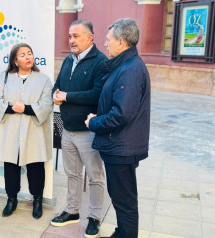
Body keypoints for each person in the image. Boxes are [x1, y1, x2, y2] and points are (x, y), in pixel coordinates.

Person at [85, 18, 151, 238]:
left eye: (108, 39)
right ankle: (122, 232)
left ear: (121, 42)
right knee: (121, 197)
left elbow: (121, 114)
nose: (105, 44)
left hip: (121, 147)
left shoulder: (130, 69)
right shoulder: (124, 65)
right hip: (120, 144)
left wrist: (93, 122)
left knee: (124, 199)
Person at [51, 19, 107, 238]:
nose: (71, 40)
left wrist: (66, 96)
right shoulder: (68, 60)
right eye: (70, 36)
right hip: (68, 129)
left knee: (95, 177)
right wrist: (56, 95)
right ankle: (72, 211)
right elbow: (58, 85)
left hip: (89, 132)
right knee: (72, 174)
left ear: (90, 38)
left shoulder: (100, 62)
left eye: (76, 36)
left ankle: (94, 217)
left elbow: (96, 94)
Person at [0, 43, 53, 219]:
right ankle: (11, 199)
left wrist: (26, 108)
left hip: (34, 131)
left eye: (30, 53)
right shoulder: (5, 78)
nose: (28, 57)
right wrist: (12, 108)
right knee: (10, 165)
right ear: (15, 60)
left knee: (35, 166)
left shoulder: (43, 80)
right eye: (23, 55)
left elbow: (47, 104)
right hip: (11, 131)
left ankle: (37, 200)